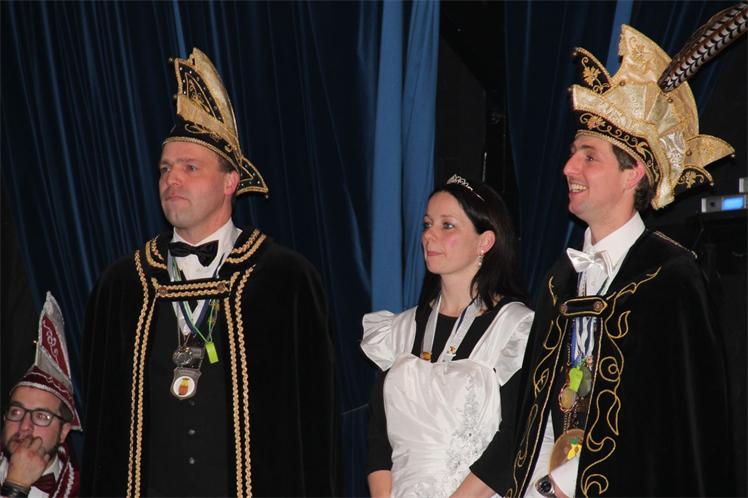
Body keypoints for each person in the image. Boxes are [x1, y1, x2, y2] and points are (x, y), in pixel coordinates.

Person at [453, 24, 736, 497]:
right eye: (572, 155)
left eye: (589, 157)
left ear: (633, 173)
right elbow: (534, 415)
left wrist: (576, 477)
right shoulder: (560, 281)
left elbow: (678, 427)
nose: (569, 168)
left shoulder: (671, 278)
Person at [81, 48, 339, 497]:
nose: (171, 180)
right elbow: (104, 432)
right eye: (165, 169)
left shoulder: (285, 280)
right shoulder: (122, 285)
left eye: (190, 167)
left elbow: (315, 428)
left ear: (229, 182)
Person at [361, 175, 534, 498]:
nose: (429, 235)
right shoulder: (399, 329)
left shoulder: (515, 327)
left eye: (447, 225)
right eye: (428, 224)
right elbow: (378, 441)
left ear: (485, 242)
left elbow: (514, 439)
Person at [1, 293, 81, 498]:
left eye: (41, 416)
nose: (24, 426)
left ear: (64, 431)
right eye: (16, 411)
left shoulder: (86, 489)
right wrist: (16, 484)